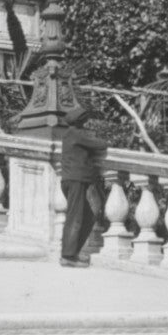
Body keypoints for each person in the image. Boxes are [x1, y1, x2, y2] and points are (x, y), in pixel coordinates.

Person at [57, 105, 108, 266]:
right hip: (76, 180)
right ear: (81, 121)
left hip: (71, 179)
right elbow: (101, 144)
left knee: (87, 215)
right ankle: (68, 256)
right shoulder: (77, 135)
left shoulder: (68, 134)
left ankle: (73, 253)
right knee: (75, 217)